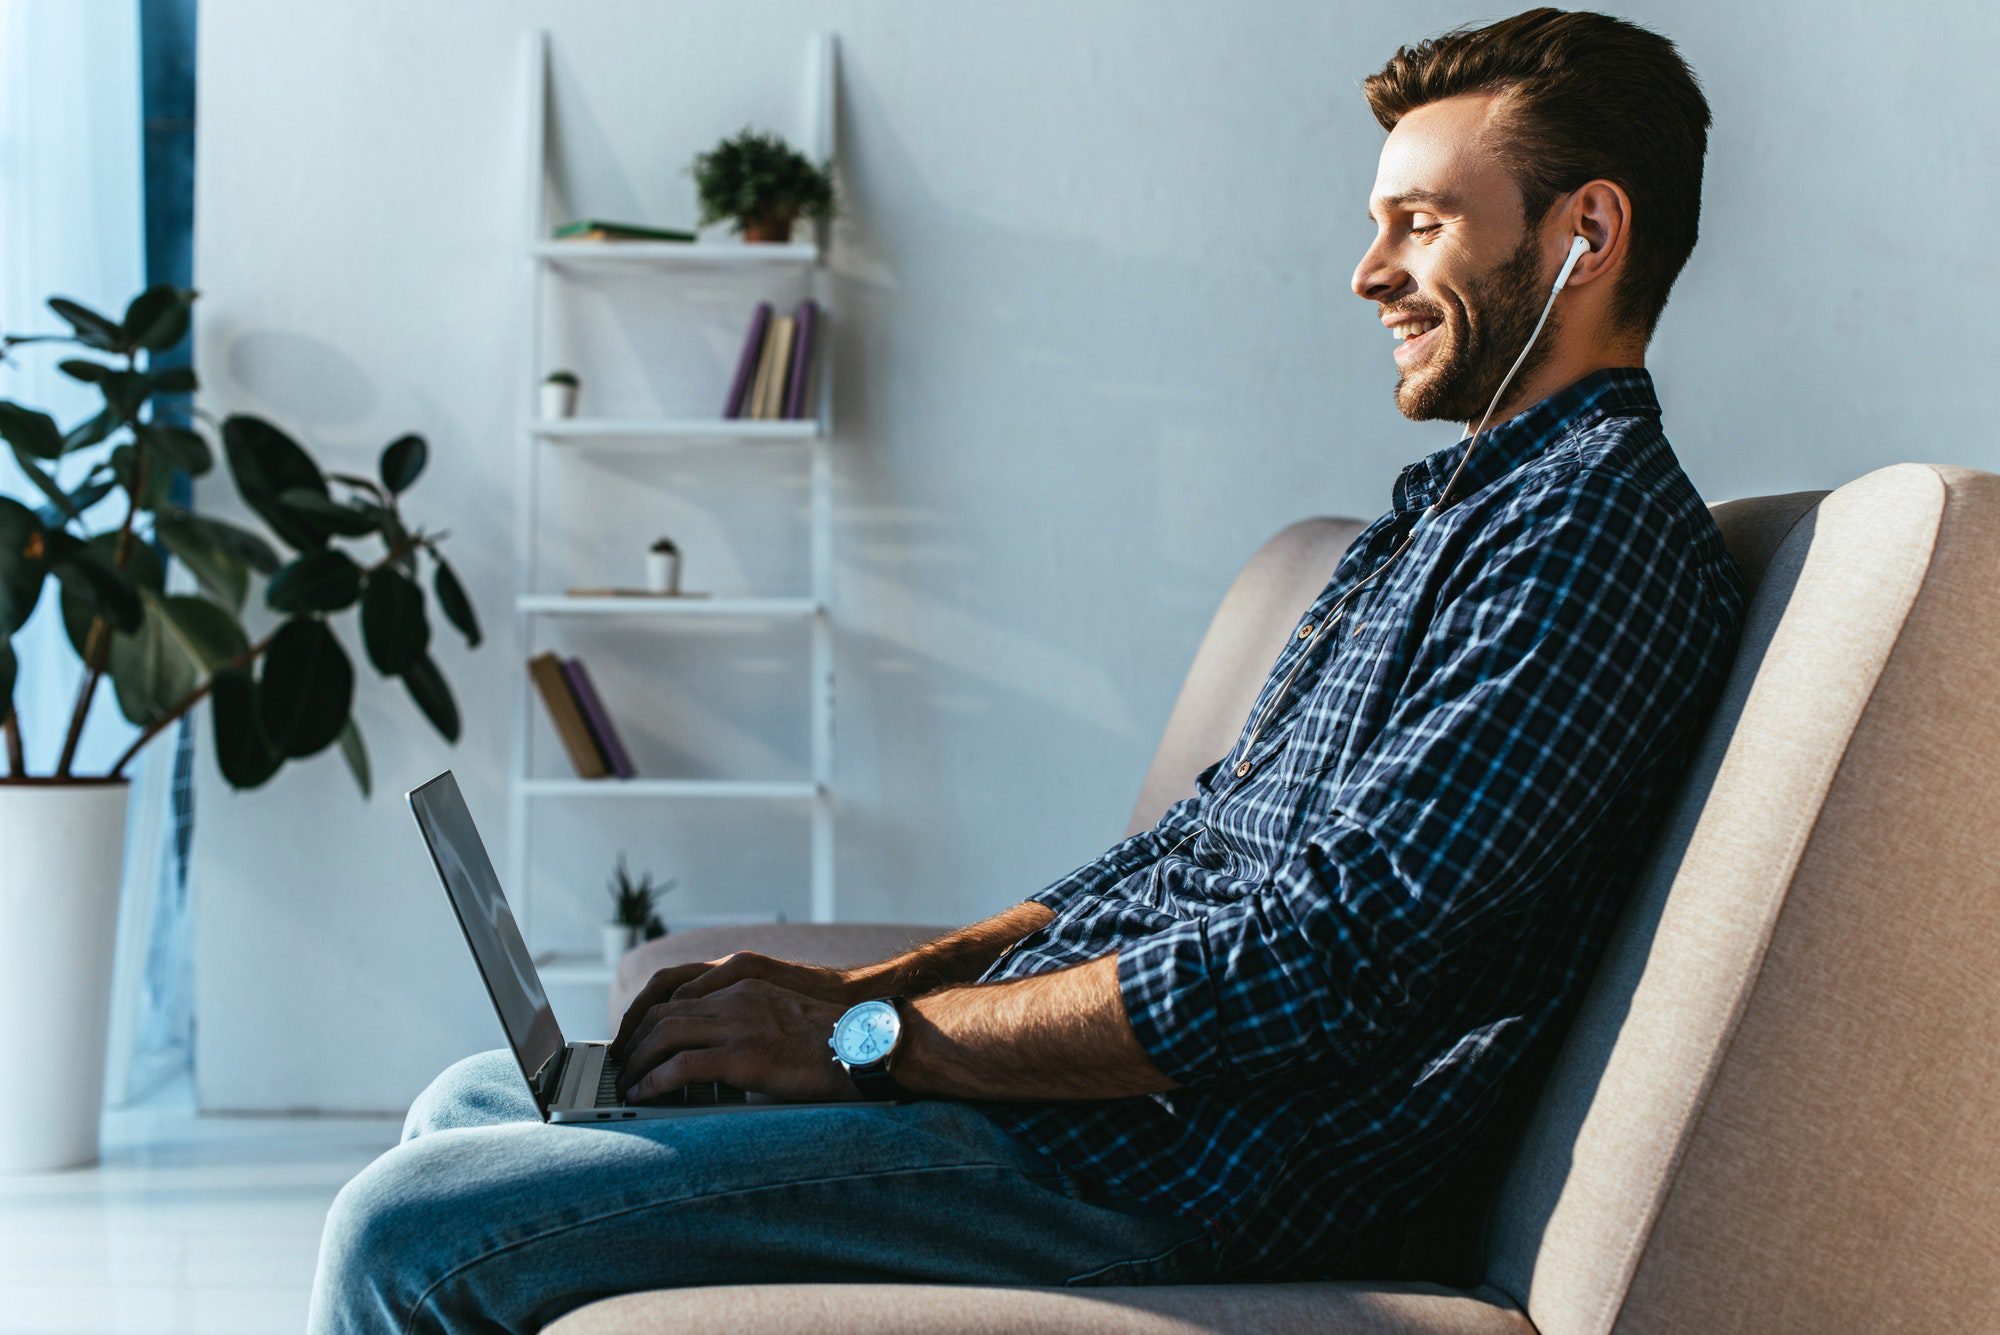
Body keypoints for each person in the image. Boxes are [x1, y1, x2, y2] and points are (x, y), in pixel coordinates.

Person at [309, 8, 1744, 1331]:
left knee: (408, 1232)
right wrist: (857, 997)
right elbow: (1189, 849)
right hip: (1066, 1116)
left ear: (1587, 231)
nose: (1368, 273)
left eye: (1420, 225)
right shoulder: (1449, 516)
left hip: (1173, 1172)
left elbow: (1331, 965)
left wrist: (874, 1039)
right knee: (476, 1101)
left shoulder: (1590, 541)